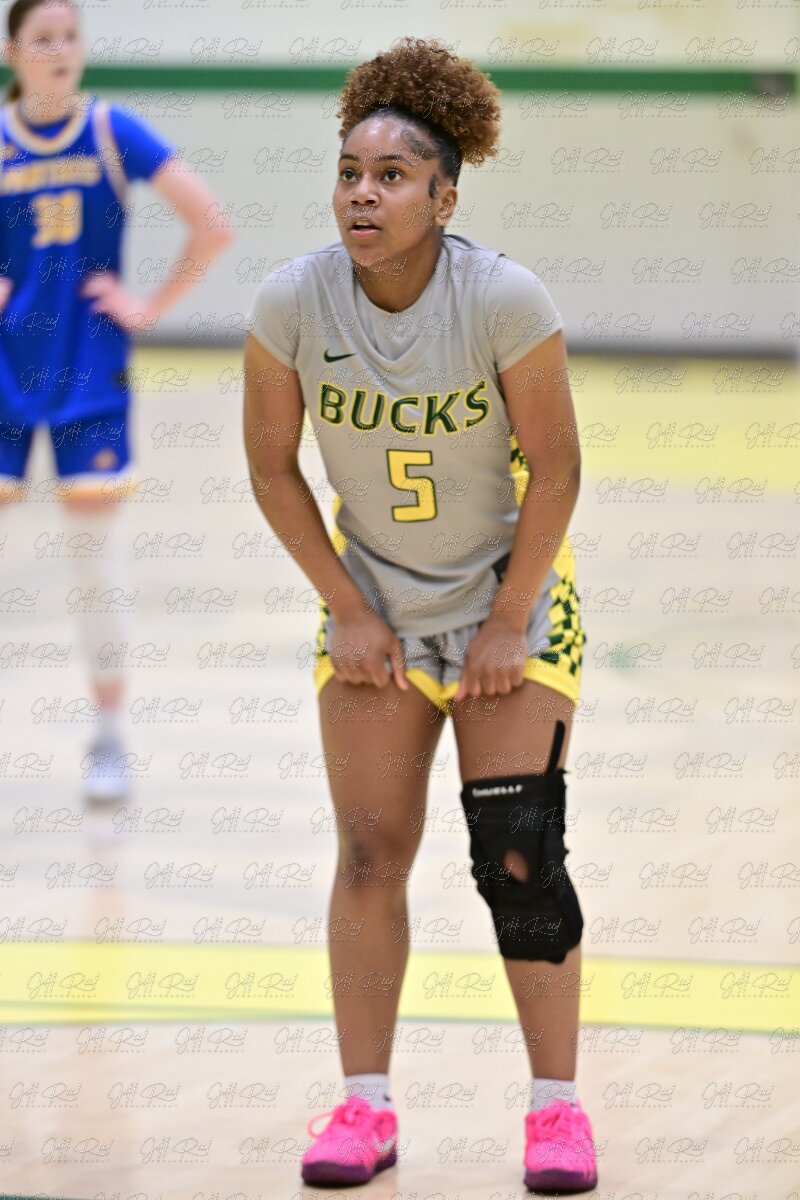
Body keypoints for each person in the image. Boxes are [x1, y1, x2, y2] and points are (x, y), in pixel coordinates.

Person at [244, 37, 596, 1194]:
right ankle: (364, 1105)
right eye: (348, 172)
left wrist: (505, 622)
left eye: (391, 176)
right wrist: (346, 608)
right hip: (376, 609)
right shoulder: (291, 301)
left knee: (518, 853)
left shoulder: (501, 298)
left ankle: (555, 1113)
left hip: (507, 601)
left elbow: (556, 470)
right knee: (367, 852)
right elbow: (271, 469)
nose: (361, 193)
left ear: (443, 197)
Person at [0, 0, 234, 801]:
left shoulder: (110, 130)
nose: (60, 49)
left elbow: (212, 224)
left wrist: (150, 306)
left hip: (89, 372)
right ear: (13, 52)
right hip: (5, 366)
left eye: (70, 35)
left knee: (93, 566)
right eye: (43, 38)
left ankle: (108, 739)